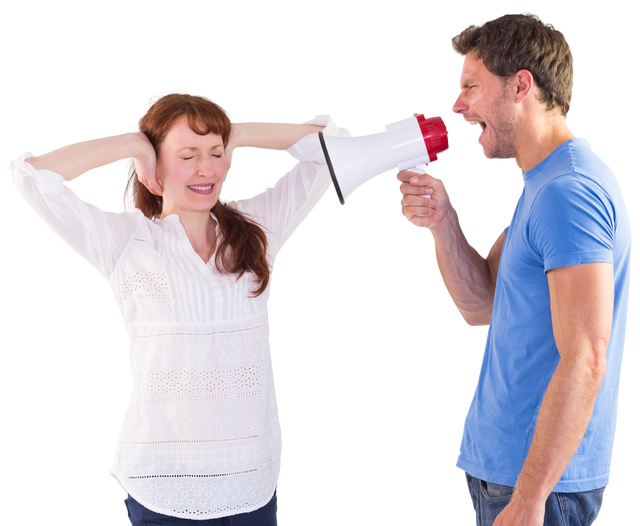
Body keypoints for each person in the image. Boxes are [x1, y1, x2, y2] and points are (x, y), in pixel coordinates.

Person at [7, 84, 352, 525]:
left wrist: (232, 131)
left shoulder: (259, 229)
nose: (206, 169)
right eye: (187, 156)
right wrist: (135, 142)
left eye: (216, 153)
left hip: (252, 483)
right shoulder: (126, 241)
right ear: (154, 172)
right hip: (160, 487)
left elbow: (331, 142)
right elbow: (31, 176)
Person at [395, 10, 632, 526]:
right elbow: (481, 305)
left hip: (539, 489)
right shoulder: (542, 184)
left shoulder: (568, 193)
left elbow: (587, 356)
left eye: (471, 87)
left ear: (521, 86)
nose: (456, 105)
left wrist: (530, 497)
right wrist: (442, 220)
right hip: (513, 476)